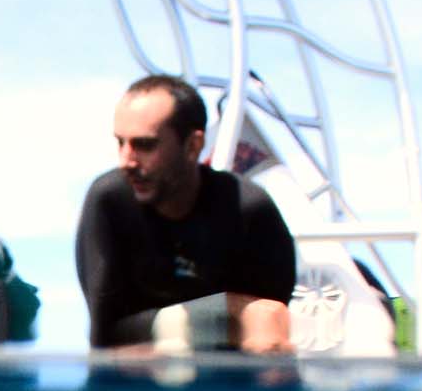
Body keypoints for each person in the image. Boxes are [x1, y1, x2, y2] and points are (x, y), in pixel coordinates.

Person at [74, 75, 294, 352]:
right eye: (121, 143)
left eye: (144, 145)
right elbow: (107, 338)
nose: (126, 161)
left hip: (228, 388)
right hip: (137, 390)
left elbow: (268, 326)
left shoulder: (250, 210)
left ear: (193, 145)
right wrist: (227, 312)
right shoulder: (109, 202)